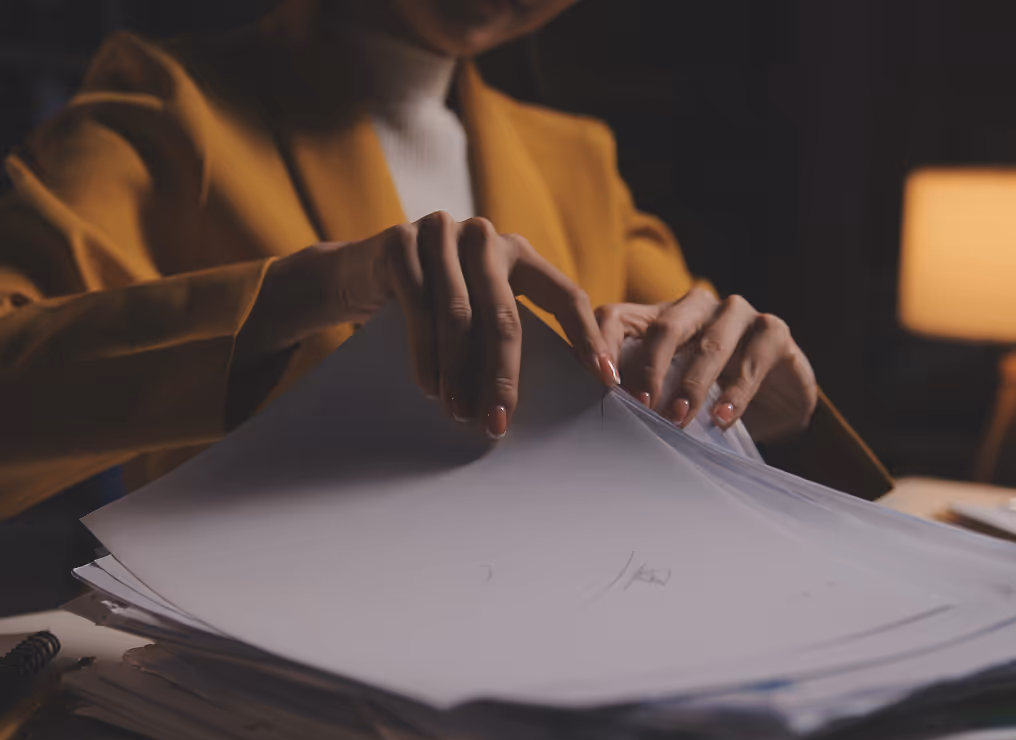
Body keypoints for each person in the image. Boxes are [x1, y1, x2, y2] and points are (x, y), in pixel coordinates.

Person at [0, 0, 891, 522]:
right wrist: (311, 288)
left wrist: (771, 419)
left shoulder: (576, 159)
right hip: (260, 679)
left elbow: (703, 410)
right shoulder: (167, 105)